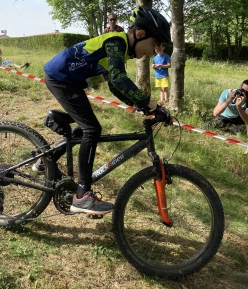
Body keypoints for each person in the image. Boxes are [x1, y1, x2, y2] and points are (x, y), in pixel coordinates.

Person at [32, 6, 172, 216]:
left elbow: (115, 87)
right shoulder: (117, 41)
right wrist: (153, 105)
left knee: (84, 128)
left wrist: (143, 107)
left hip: (69, 82)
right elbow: (118, 79)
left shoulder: (122, 50)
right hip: (61, 78)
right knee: (92, 130)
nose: (152, 52)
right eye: (153, 45)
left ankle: (46, 159)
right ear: (140, 34)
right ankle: (82, 196)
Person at [212, 79, 248, 154]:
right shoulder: (227, 93)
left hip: (240, 117)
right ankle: (232, 127)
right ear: (239, 87)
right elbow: (215, 113)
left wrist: (239, 106)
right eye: (242, 90)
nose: (244, 94)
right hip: (225, 117)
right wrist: (229, 100)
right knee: (210, 126)